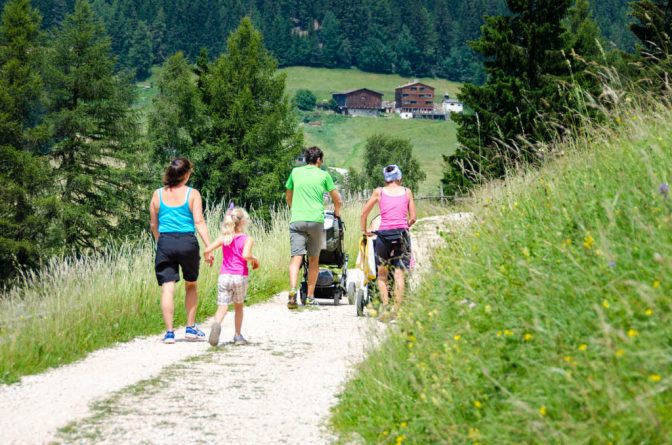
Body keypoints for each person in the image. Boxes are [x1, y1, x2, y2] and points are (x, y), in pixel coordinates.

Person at [149, 158, 214, 344]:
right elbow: (199, 222)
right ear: (185, 175)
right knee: (191, 284)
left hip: (165, 242)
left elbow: (154, 224)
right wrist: (208, 247)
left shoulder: (157, 194)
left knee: (168, 288)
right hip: (187, 242)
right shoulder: (193, 194)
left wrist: (159, 241)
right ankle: (190, 328)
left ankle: (169, 333)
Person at [285, 146, 342, 309]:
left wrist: (292, 208)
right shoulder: (324, 175)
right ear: (318, 160)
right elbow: (337, 198)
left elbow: (288, 194)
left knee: (296, 257)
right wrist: (337, 211)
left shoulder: (295, 172)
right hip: (316, 220)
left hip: (297, 219)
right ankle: (310, 297)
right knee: (313, 259)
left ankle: (292, 290)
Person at [360, 164, 417, 313]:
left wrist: (365, 230)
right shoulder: (407, 192)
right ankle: (396, 310)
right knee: (399, 274)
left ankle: (385, 306)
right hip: (401, 236)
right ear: (399, 177)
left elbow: (364, 213)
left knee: (382, 276)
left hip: (383, 237)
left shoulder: (379, 192)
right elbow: (414, 218)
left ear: (386, 178)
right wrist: (405, 226)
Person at [204, 206, 259, 347]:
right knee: (238, 306)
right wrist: (255, 259)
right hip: (239, 276)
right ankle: (238, 336)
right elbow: (246, 255)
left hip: (224, 276)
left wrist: (208, 258)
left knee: (222, 307)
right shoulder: (247, 239)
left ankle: (216, 324)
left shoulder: (224, 238)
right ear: (243, 223)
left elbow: (207, 249)